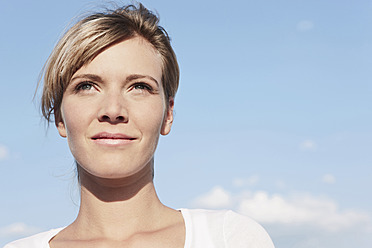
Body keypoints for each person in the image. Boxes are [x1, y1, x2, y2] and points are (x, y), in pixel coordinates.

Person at [4, 3, 274, 248]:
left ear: (168, 114)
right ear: (59, 117)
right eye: (87, 86)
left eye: (139, 87)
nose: (113, 111)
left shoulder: (230, 238)